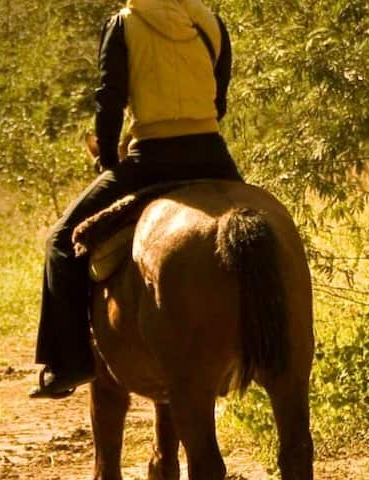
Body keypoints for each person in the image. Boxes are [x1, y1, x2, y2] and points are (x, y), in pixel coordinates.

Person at [32, 0, 240, 399]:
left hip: (152, 158)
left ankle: (70, 363)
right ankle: (275, 348)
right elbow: (219, 102)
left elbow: (108, 101)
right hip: (212, 154)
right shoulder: (211, 23)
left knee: (60, 240)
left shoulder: (123, 25)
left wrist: (109, 161)